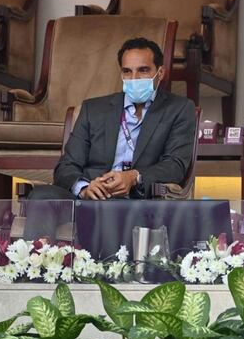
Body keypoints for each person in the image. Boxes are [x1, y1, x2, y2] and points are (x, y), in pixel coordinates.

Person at [23, 37, 196, 238]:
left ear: (160, 73)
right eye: (127, 71)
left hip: (135, 198)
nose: (134, 78)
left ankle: (105, 269)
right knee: (42, 196)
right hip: (89, 196)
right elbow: (66, 167)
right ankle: (40, 267)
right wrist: (84, 188)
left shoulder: (179, 109)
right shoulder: (93, 109)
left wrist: (133, 177)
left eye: (143, 70)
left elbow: (175, 165)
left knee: (115, 210)